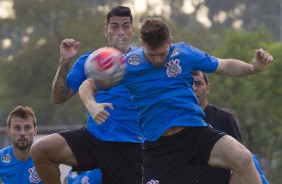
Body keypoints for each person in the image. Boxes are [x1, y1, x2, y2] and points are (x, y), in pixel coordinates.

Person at [79, 18, 273, 184]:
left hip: (195, 134)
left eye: (162, 54)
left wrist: (253, 68)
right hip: (159, 147)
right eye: (151, 55)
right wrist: (91, 104)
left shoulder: (185, 54)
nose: (157, 60)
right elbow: (87, 85)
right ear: (141, 43)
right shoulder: (128, 65)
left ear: (170, 41)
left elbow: (225, 66)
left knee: (244, 158)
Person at [31, 6, 143, 184]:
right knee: (41, 150)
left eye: (126, 26)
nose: (120, 32)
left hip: (131, 145)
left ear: (132, 31)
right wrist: (65, 62)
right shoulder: (90, 60)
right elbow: (59, 97)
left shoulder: (144, 59)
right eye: (114, 26)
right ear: (106, 31)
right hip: (94, 140)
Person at [188, 70, 269, 184]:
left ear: (208, 88)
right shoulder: (174, 122)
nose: (194, 88)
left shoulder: (224, 118)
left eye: (199, 83)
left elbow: (241, 161)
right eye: (189, 83)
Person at [0, 105, 42, 184]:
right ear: (8, 131)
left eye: (27, 128)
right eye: (17, 128)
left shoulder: (47, 156)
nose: (22, 133)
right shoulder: (1, 158)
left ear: (35, 131)